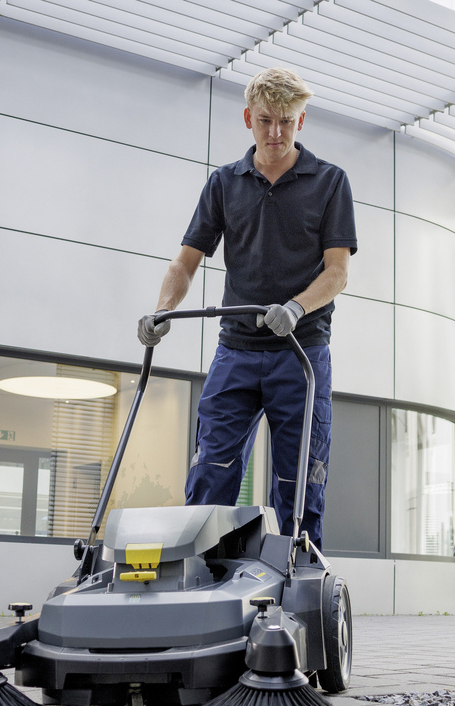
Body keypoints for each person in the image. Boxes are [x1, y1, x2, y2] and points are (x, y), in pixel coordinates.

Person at [138, 67, 356, 551]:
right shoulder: (224, 183)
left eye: (286, 121)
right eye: (265, 120)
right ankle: (199, 572)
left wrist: (296, 308)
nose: (275, 132)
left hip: (300, 352)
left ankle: (297, 575)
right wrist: (161, 311)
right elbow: (185, 262)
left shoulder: (329, 182)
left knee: (299, 480)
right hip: (235, 351)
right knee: (210, 469)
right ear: (247, 119)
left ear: (301, 121)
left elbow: (337, 272)